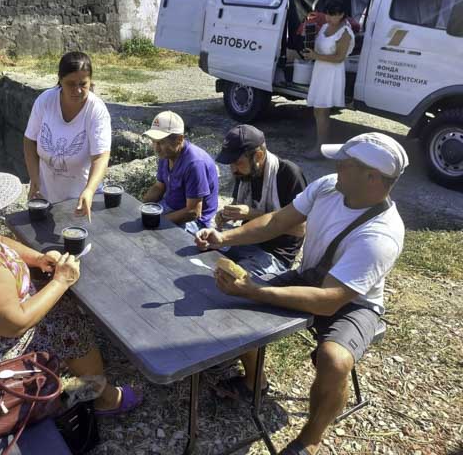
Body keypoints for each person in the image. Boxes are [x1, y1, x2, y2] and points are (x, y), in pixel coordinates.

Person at [196, 132, 408, 455]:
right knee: (231, 300)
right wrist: (224, 239)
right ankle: (255, 381)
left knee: (334, 360)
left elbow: (330, 301)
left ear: (372, 177)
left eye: (345, 164)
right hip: (310, 278)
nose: (336, 166)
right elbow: (278, 221)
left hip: (353, 302)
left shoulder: (381, 234)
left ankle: (309, 438)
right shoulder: (328, 187)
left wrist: (257, 292)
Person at [0, 149, 142, 415]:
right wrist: (61, 280)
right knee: (67, 322)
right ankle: (105, 398)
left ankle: (70, 375)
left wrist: (36, 258)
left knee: (56, 302)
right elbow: (13, 324)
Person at [23, 51, 112, 220]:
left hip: (81, 197)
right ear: (60, 80)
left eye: (83, 84)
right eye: (71, 83)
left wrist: (89, 190)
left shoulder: (96, 110)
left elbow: (100, 157)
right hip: (47, 192)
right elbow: (29, 141)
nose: (77, 90)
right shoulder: (45, 101)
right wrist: (34, 178)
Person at [215, 124, 307, 276]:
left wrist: (251, 214)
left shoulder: (288, 174)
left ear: (258, 156)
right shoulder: (244, 172)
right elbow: (239, 206)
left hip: (275, 254)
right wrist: (226, 214)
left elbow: (300, 229)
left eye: (237, 163)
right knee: (203, 249)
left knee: (232, 278)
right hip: (246, 240)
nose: (233, 169)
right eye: (230, 163)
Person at [142, 111, 219, 234]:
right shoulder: (166, 155)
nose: (156, 148)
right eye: (154, 142)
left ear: (179, 139)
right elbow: (159, 187)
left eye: (161, 142)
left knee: (152, 234)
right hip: (170, 207)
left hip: (196, 222)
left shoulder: (194, 164)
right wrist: (141, 207)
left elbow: (193, 212)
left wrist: (159, 221)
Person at [303, 0, 355, 159]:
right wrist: (310, 52)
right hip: (320, 70)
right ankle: (321, 145)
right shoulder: (325, 26)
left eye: (333, 15)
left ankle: (320, 148)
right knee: (318, 110)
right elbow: (319, 48)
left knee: (322, 110)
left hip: (331, 73)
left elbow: (339, 58)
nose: (328, 18)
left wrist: (316, 55)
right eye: (327, 14)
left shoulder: (345, 32)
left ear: (342, 15)